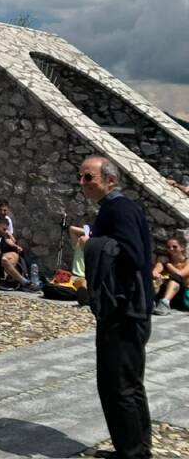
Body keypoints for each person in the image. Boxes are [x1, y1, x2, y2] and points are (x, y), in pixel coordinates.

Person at [80, 155, 152, 459]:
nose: (82, 183)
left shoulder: (118, 208)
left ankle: (132, 454)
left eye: (88, 178)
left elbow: (132, 255)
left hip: (123, 311)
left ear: (110, 180)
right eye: (81, 177)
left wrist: (91, 245)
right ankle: (136, 449)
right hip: (131, 309)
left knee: (117, 385)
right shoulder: (121, 207)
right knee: (130, 383)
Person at [152, 235, 189, 315]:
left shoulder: (187, 262)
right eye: (168, 247)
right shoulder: (163, 260)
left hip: (180, 295)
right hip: (162, 293)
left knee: (175, 278)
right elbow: (155, 271)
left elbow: (180, 274)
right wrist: (157, 274)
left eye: (174, 247)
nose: (171, 249)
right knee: (155, 280)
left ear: (182, 248)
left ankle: (164, 304)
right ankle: (150, 301)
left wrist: (168, 265)